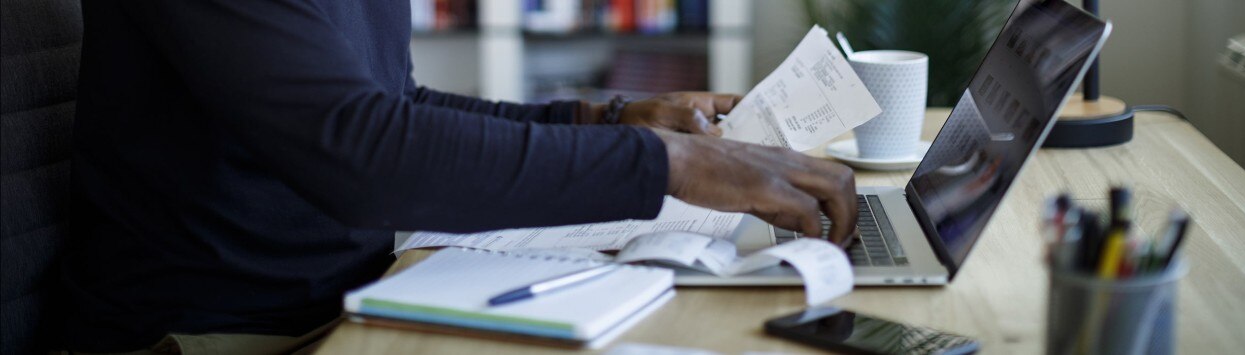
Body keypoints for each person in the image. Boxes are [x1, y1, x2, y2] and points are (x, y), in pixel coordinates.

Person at [60, 0, 860, 353]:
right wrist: (671, 164)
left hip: (344, 297)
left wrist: (606, 122)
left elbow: (394, 104)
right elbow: (363, 153)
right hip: (218, 332)